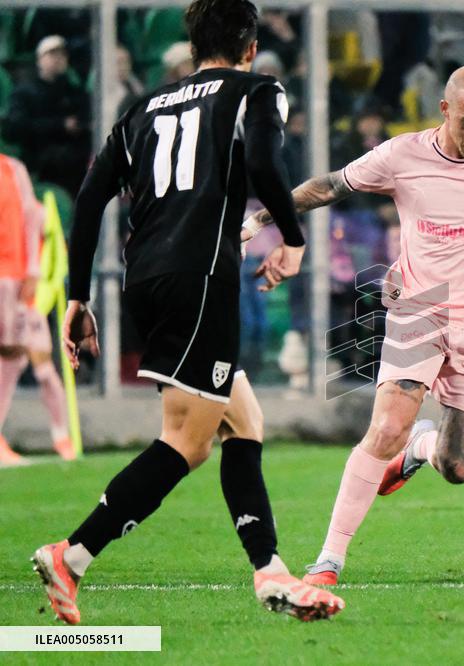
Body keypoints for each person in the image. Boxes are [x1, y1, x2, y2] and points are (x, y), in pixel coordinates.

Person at [32, 0, 343, 624]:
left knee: (244, 421)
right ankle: (72, 554)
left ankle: (269, 571)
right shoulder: (258, 90)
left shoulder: (141, 108)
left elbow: (90, 199)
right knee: (186, 441)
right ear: (250, 46)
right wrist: (294, 237)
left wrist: (78, 296)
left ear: (194, 44)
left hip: (145, 277)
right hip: (201, 278)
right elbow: (262, 161)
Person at [243, 65, 464, 585]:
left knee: (458, 467)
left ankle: (420, 446)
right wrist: (262, 220)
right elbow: (331, 186)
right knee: (385, 427)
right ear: (444, 111)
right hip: (422, 305)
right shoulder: (402, 155)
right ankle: (328, 560)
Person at [0, 153, 74, 464]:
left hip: (22, 289)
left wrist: (32, 273)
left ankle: (62, 437)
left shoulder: (14, 172)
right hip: (20, 286)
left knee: (30, 361)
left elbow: (53, 253)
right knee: (14, 357)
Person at [2, 35, 91, 194]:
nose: (58, 59)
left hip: (75, 164)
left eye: (62, 55)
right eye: (52, 54)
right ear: (39, 60)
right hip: (39, 163)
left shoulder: (75, 92)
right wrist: (60, 125)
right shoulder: (25, 93)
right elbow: (14, 129)